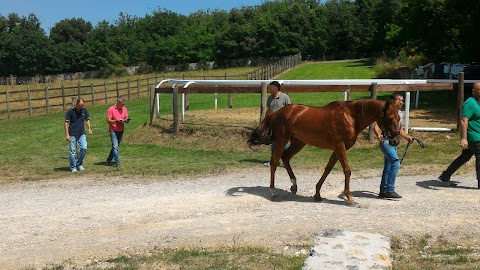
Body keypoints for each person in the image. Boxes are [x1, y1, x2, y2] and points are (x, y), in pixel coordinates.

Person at [438, 82, 480, 189]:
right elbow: (463, 121)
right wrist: (464, 138)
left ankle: (445, 176)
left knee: (464, 157)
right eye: (479, 89)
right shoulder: (470, 103)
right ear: (474, 91)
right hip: (474, 137)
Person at [374, 92, 413, 199]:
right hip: (386, 142)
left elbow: (399, 129)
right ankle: (390, 190)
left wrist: (407, 137)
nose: (401, 102)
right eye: (398, 100)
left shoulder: (399, 113)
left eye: (402, 100)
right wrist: (378, 135)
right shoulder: (387, 112)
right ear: (392, 101)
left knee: (388, 166)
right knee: (396, 164)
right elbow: (376, 125)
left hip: (393, 142)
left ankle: (383, 191)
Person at [264, 81, 291, 166]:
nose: (269, 89)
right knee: (273, 143)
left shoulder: (285, 97)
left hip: (283, 125)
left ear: (275, 88)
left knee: (284, 143)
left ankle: (285, 160)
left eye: (270, 88)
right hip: (273, 124)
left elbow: (290, 110)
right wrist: (266, 121)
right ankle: (274, 161)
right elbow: (268, 110)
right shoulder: (270, 98)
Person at [64, 97, 92, 172]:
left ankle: (79, 164)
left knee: (84, 148)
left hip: (82, 133)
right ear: (76, 104)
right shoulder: (70, 111)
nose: (81, 107)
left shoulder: (84, 110)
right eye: (80, 106)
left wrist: (89, 128)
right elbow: (66, 123)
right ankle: (73, 167)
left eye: (82, 105)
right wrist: (67, 134)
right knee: (73, 151)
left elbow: (87, 119)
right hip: (72, 134)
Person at [106, 96, 129, 167]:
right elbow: (108, 120)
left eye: (124, 104)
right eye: (122, 104)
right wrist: (116, 121)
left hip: (121, 129)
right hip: (113, 130)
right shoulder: (111, 109)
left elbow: (126, 118)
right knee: (115, 146)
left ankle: (109, 159)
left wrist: (126, 120)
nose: (123, 106)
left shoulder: (124, 109)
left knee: (115, 146)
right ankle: (117, 162)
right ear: (118, 103)